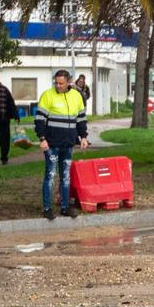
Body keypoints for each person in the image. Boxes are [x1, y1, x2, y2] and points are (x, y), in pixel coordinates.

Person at [35, 69, 88, 219]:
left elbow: (81, 119)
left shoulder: (77, 96)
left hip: (68, 144)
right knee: (50, 176)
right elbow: (39, 119)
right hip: (51, 144)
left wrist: (83, 137)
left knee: (65, 177)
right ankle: (47, 208)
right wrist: (42, 138)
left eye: (61, 83)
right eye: (56, 83)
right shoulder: (47, 95)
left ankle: (65, 207)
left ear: (69, 82)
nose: (58, 86)